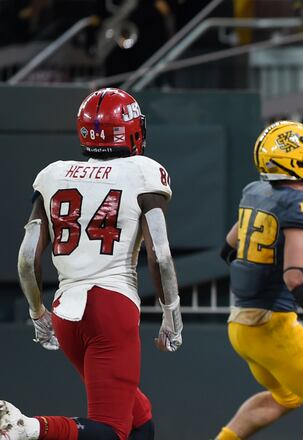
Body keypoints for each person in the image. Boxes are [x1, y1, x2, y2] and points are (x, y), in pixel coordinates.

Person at [0, 88, 183, 440]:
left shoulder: (54, 174)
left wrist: (38, 314)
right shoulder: (143, 172)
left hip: (66, 311)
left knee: (139, 420)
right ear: (130, 130)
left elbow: (27, 258)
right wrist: (172, 314)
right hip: (111, 307)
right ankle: (28, 428)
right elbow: (160, 255)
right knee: (111, 429)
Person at [214, 121, 303, 440]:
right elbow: (296, 278)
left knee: (286, 396)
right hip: (271, 324)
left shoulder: (255, 191)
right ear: (295, 160)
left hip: (241, 323)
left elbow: (229, 246)